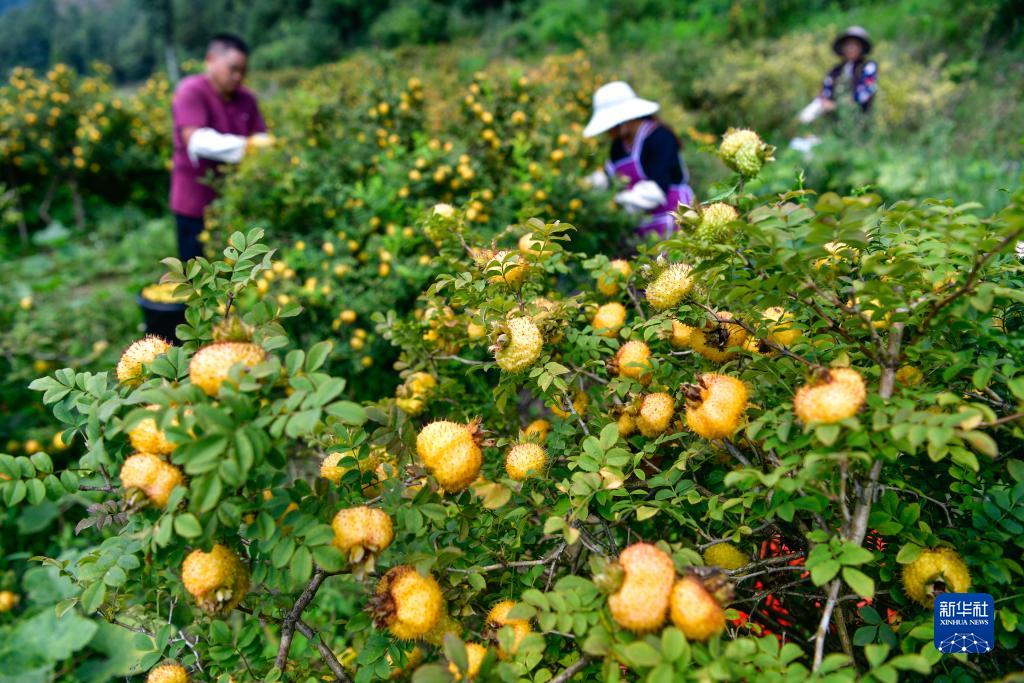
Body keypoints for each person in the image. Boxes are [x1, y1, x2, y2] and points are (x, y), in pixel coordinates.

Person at [170, 33, 271, 261]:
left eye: (243, 71)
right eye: (232, 69)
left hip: (235, 204)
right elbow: (195, 140)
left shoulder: (246, 99)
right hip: (195, 207)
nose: (238, 77)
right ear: (211, 60)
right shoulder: (191, 91)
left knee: (236, 271)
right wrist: (248, 146)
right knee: (197, 275)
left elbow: (261, 136)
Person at [582, 81, 694, 241]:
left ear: (623, 121)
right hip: (643, 225)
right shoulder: (618, 147)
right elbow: (610, 178)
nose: (608, 132)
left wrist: (616, 203)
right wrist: (585, 187)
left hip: (676, 218)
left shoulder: (659, 137)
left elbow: (657, 189)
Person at [799, 26, 878, 123]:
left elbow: (865, 94)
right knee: (808, 113)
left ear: (862, 48)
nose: (850, 49)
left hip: (858, 117)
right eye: (848, 45)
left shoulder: (868, 67)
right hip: (835, 118)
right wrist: (823, 100)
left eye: (855, 45)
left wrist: (837, 105)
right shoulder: (835, 70)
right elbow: (826, 90)